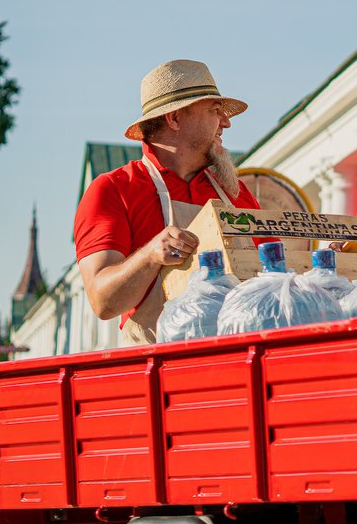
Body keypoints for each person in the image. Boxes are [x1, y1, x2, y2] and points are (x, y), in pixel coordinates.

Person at [74, 60, 262, 344]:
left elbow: (273, 273)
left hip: (238, 360)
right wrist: (151, 255)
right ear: (174, 118)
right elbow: (103, 301)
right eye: (215, 110)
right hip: (157, 371)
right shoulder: (113, 189)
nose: (226, 122)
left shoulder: (235, 193)